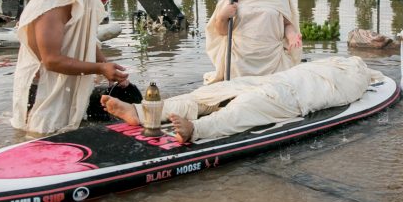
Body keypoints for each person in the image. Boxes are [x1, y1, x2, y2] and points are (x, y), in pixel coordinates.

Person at [102, 56, 379, 143]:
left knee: (245, 107)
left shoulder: (356, 75)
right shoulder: (343, 64)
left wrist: (366, 74)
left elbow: (345, 93)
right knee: (210, 93)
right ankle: (139, 112)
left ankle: (196, 129)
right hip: (280, 81)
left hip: (294, 95)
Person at [11, 0, 129, 134]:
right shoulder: (50, 9)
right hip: (42, 94)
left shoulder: (78, 2)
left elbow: (86, 39)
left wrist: (108, 66)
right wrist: (100, 69)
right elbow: (51, 61)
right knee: (41, 135)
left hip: (64, 85)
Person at [204, 0, 302, 84]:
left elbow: (286, 24)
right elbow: (221, 32)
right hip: (239, 64)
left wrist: (292, 35)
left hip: (272, 64)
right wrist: (222, 16)